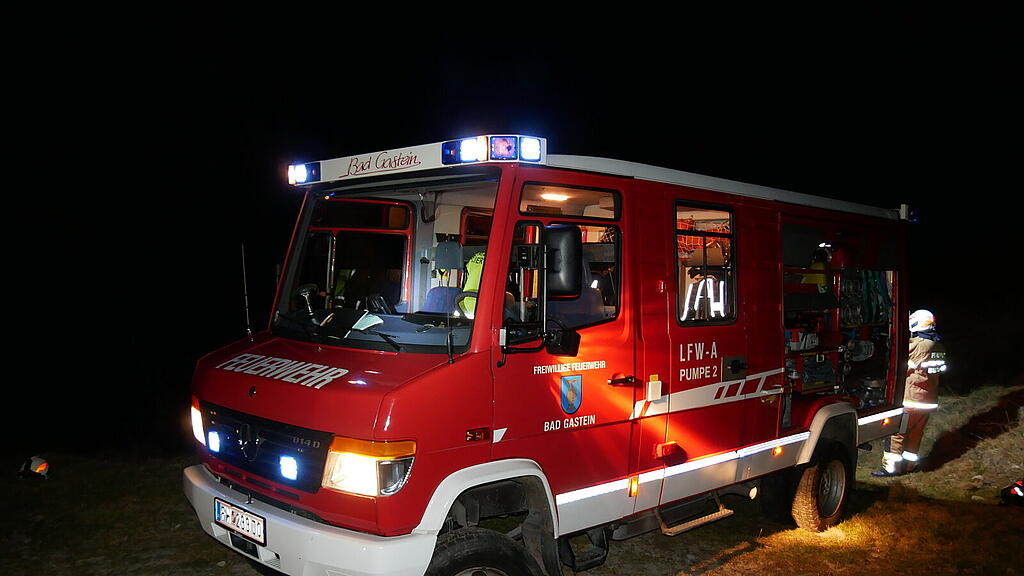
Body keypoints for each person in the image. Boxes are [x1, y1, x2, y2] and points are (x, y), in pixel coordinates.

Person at [873, 309, 947, 477]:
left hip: (911, 398)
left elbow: (897, 360)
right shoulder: (939, 345)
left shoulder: (918, 344)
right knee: (915, 434)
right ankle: (909, 466)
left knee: (896, 433)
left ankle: (891, 468)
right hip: (928, 400)